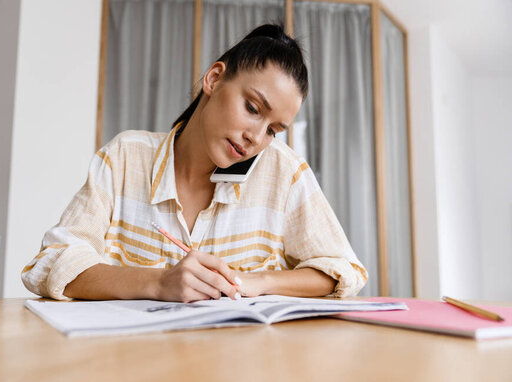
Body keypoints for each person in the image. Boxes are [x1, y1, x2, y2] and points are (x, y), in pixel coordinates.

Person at [21, 24, 368, 302]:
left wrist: (257, 281)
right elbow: (50, 264)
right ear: (214, 79)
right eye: (252, 108)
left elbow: (342, 270)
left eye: (273, 130)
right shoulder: (125, 158)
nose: (255, 138)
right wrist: (158, 283)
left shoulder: (284, 171)